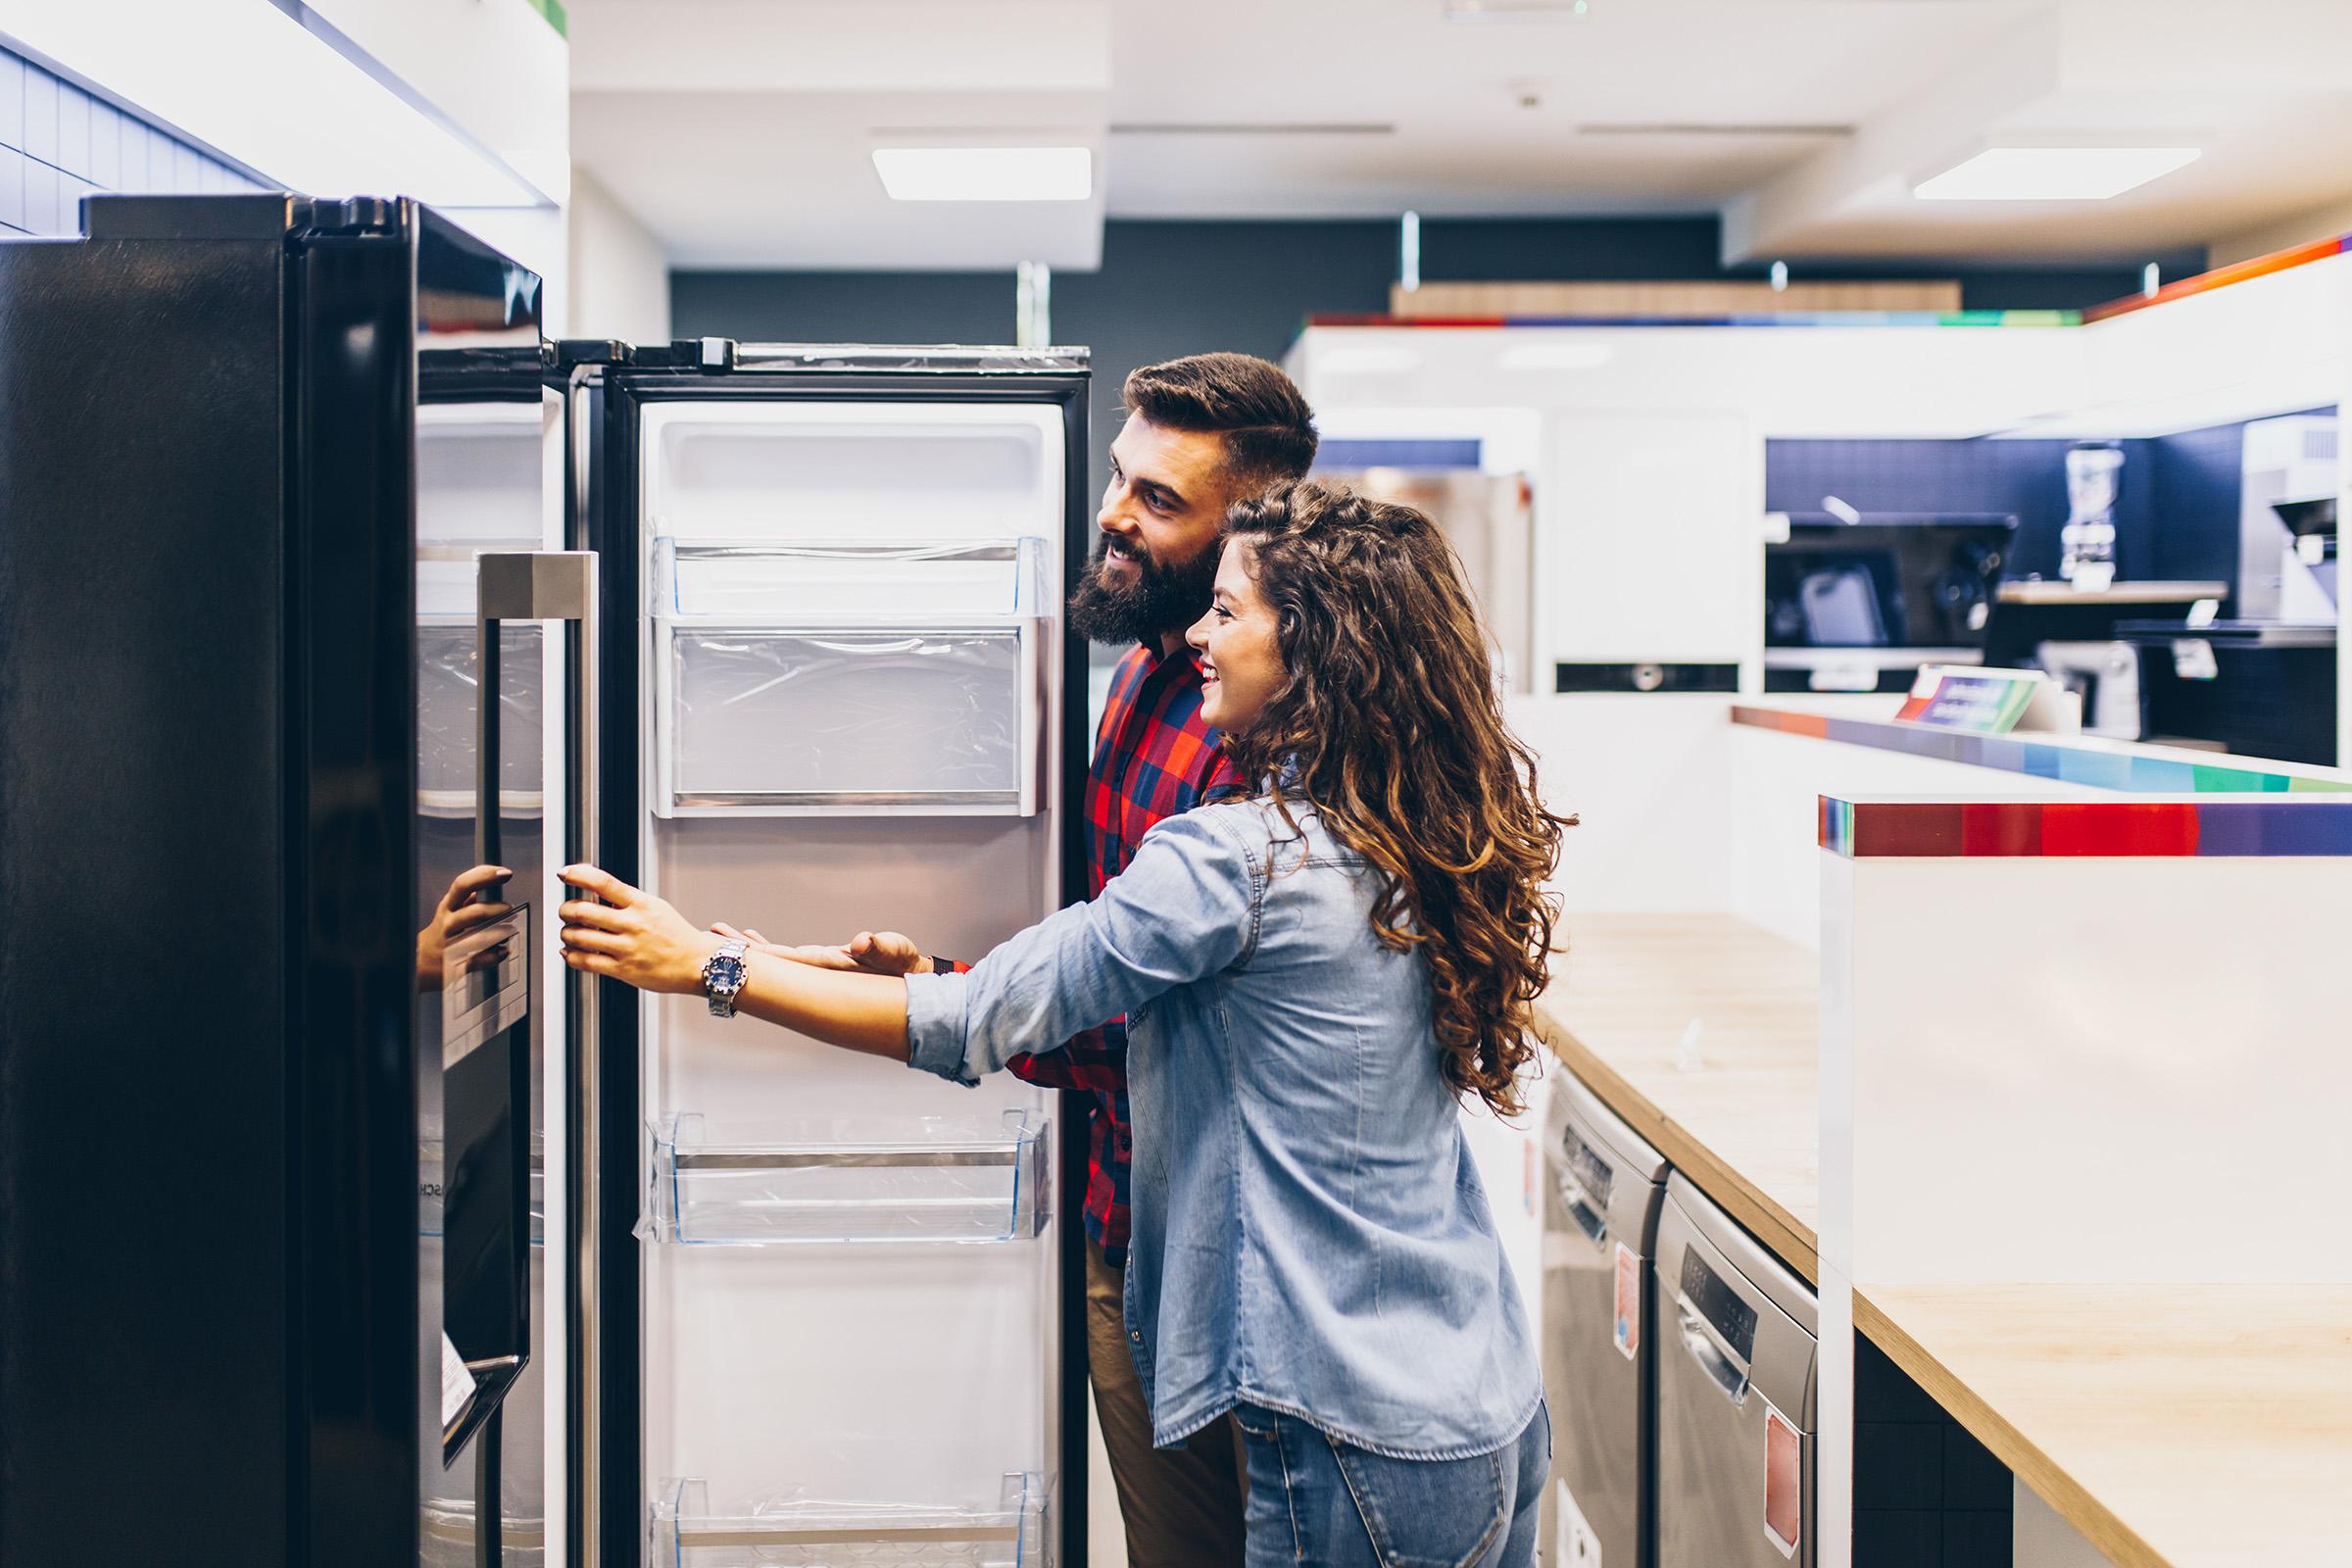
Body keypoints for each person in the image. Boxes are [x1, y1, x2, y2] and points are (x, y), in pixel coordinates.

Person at [559, 481, 1571, 1567]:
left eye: (1228, 614)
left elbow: (972, 1018)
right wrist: (807, 959)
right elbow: (1070, 993)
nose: (1196, 635)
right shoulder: (1416, 826)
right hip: (1484, 1415)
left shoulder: (1237, 858)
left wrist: (708, 968)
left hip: (1345, 1439)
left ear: (1315, 649)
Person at [731, 351, 1316, 1566]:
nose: (1111, 513)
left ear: (1251, 532)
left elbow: (1146, 1015)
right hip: (1122, 1212)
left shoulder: (1263, 740)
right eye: (1119, 477)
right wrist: (941, 974)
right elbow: (1107, 950)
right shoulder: (1152, 667)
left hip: (1234, 1264)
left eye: (1159, 500)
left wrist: (766, 976)